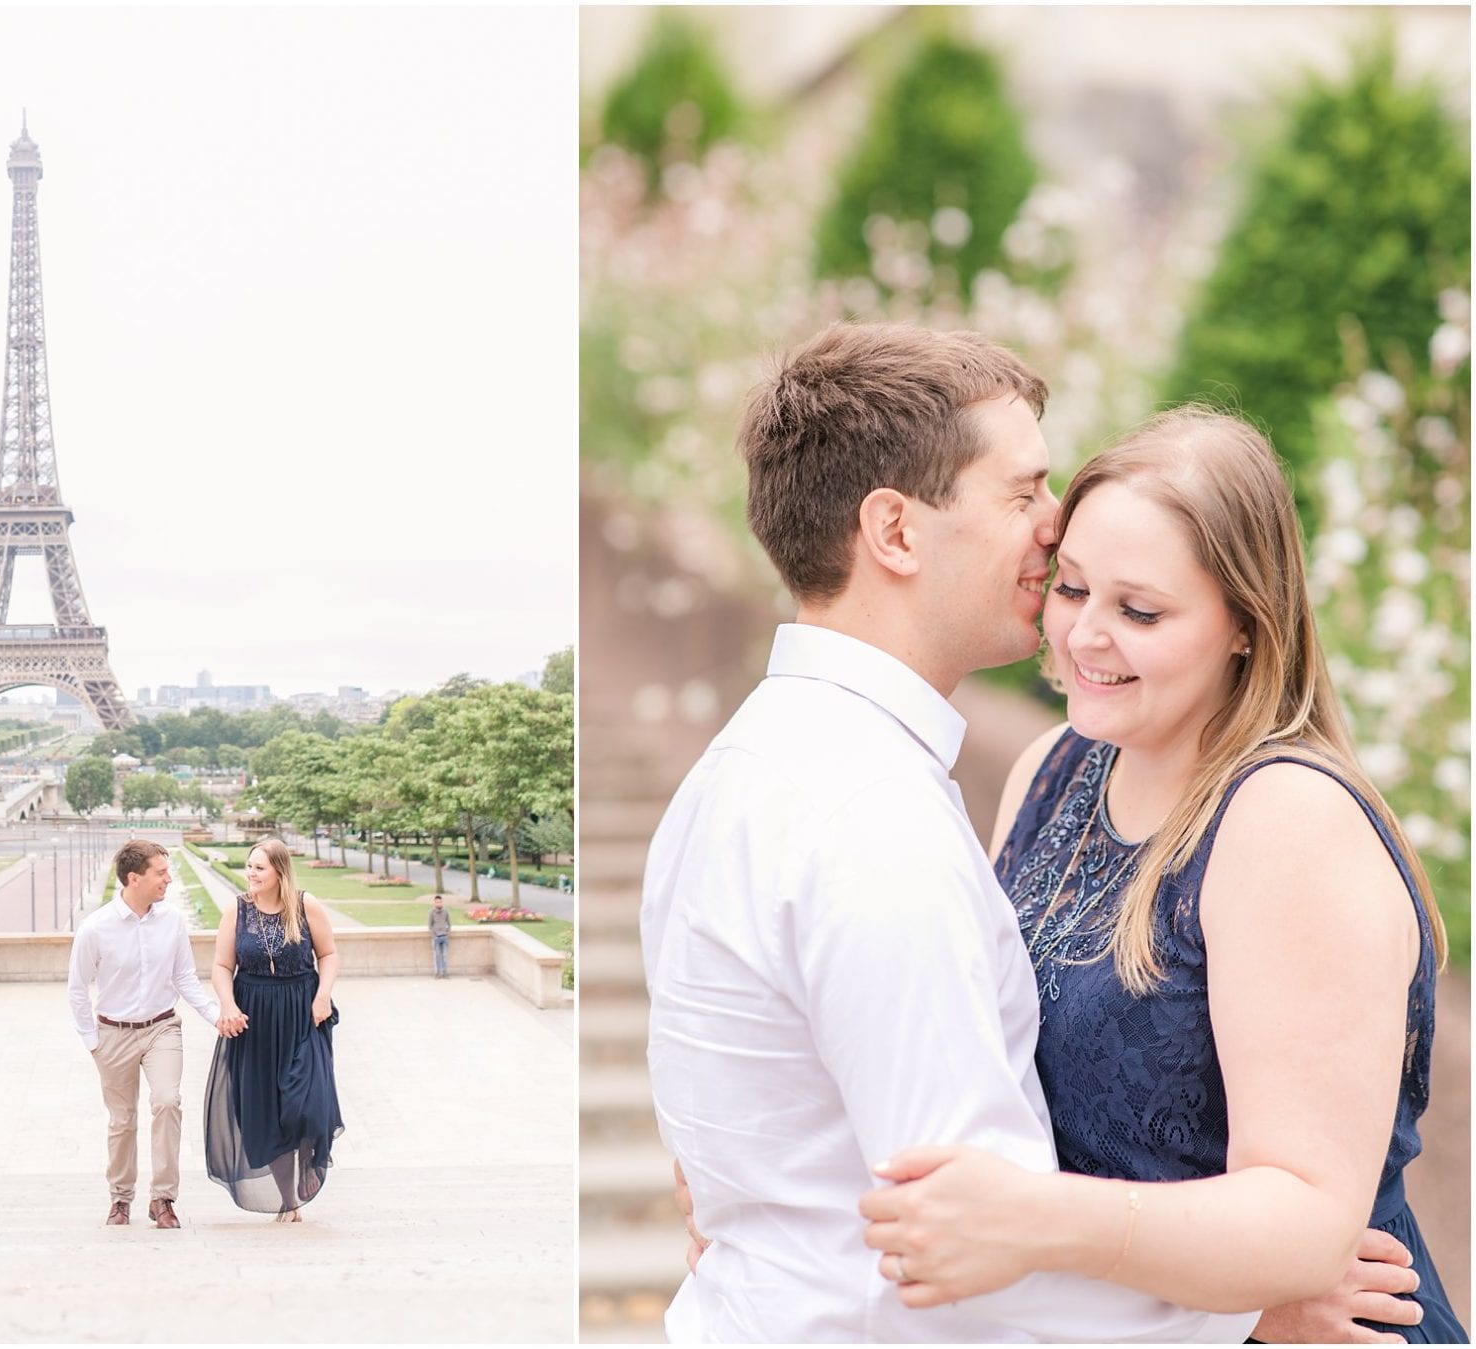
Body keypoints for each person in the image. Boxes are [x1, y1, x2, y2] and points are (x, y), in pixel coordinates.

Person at [642, 323, 1416, 1342]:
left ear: (1245, 618)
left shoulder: (753, 767)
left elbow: (979, 1216)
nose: (1052, 531)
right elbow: (969, 1247)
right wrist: (1249, 1305)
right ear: (897, 531)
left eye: (1139, 605)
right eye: (1023, 493)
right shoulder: (900, 810)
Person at [847, 409, 1463, 1342]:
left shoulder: (1286, 822)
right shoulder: (1053, 768)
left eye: (1140, 611)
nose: (1087, 636)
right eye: (1073, 588)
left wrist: (1041, 1224)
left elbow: (1304, 1221)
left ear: (1247, 626)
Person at [67, 839, 222, 1229]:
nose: (168, 879)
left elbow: (184, 975)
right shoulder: (95, 928)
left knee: (168, 1101)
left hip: (161, 1027)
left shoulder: (171, 920)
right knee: (122, 1121)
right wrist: (91, 1041)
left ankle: (163, 1198)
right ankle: (120, 1199)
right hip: (112, 1035)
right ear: (134, 878)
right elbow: (77, 987)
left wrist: (215, 1015)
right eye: (161, 872)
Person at [204, 836, 344, 1219]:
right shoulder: (237, 911)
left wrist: (323, 995)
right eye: (249, 866)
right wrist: (228, 1004)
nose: (251, 873)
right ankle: (289, 1198)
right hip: (255, 1018)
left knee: (307, 1101)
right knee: (265, 1110)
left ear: (280, 871)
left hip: (302, 1012)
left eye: (259, 867)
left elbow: (328, 954)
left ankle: (309, 1160)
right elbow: (220, 966)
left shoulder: (304, 906)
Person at [428, 894, 452, 978]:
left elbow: (449, 924)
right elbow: (430, 925)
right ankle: (438, 973)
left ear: (442, 902)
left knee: (445, 956)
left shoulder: (446, 911)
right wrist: (434, 935)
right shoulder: (431, 912)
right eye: (437, 902)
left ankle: (445, 973)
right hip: (436, 938)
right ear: (434, 903)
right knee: (437, 956)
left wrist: (447, 933)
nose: (439, 903)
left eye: (440, 902)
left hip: (444, 937)